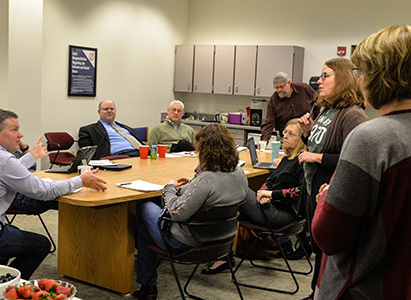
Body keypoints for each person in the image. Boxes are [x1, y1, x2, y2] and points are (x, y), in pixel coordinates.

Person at [311, 25, 411, 299]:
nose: (359, 81)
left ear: (380, 76)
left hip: (365, 288)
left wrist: (324, 199)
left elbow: (329, 235)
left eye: (362, 72)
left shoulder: (370, 138)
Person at [0, 109, 107, 279]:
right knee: (40, 244)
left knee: (14, 229)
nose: (20, 135)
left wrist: (31, 157)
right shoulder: (4, 160)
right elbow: (45, 191)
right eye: (14, 130)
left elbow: (2, 171)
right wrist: (81, 180)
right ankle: (8, 286)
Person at [133, 124, 248, 300]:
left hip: (187, 243)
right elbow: (211, 194)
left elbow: (177, 212)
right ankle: (147, 284)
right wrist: (192, 185)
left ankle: (148, 286)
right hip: (222, 241)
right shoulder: (240, 173)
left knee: (145, 207)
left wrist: (169, 188)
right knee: (146, 230)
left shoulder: (207, 179)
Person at [296, 57, 369, 300]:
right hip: (312, 186)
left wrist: (317, 158)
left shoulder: (353, 115)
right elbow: (317, 147)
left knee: (325, 251)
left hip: (328, 189)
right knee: (317, 250)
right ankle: (314, 292)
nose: (319, 81)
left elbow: (354, 161)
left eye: (326, 75)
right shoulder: (327, 109)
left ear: (344, 79)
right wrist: (307, 134)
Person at [202, 118, 307, 274]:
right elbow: (270, 180)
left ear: (302, 140)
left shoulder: (303, 161)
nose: (285, 136)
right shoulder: (287, 159)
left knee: (238, 190)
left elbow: (299, 192)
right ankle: (222, 255)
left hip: (283, 215)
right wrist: (262, 192)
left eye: (291, 134)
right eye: (285, 132)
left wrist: (270, 194)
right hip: (270, 207)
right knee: (231, 210)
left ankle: (220, 254)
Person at [261, 72, 316, 142]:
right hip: (286, 137)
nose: (278, 90)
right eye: (276, 87)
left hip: (307, 135)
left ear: (289, 83)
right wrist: (264, 141)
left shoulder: (303, 88)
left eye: (281, 87)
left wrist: (314, 122)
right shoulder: (274, 100)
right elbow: (269, 122)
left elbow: (317, 103)